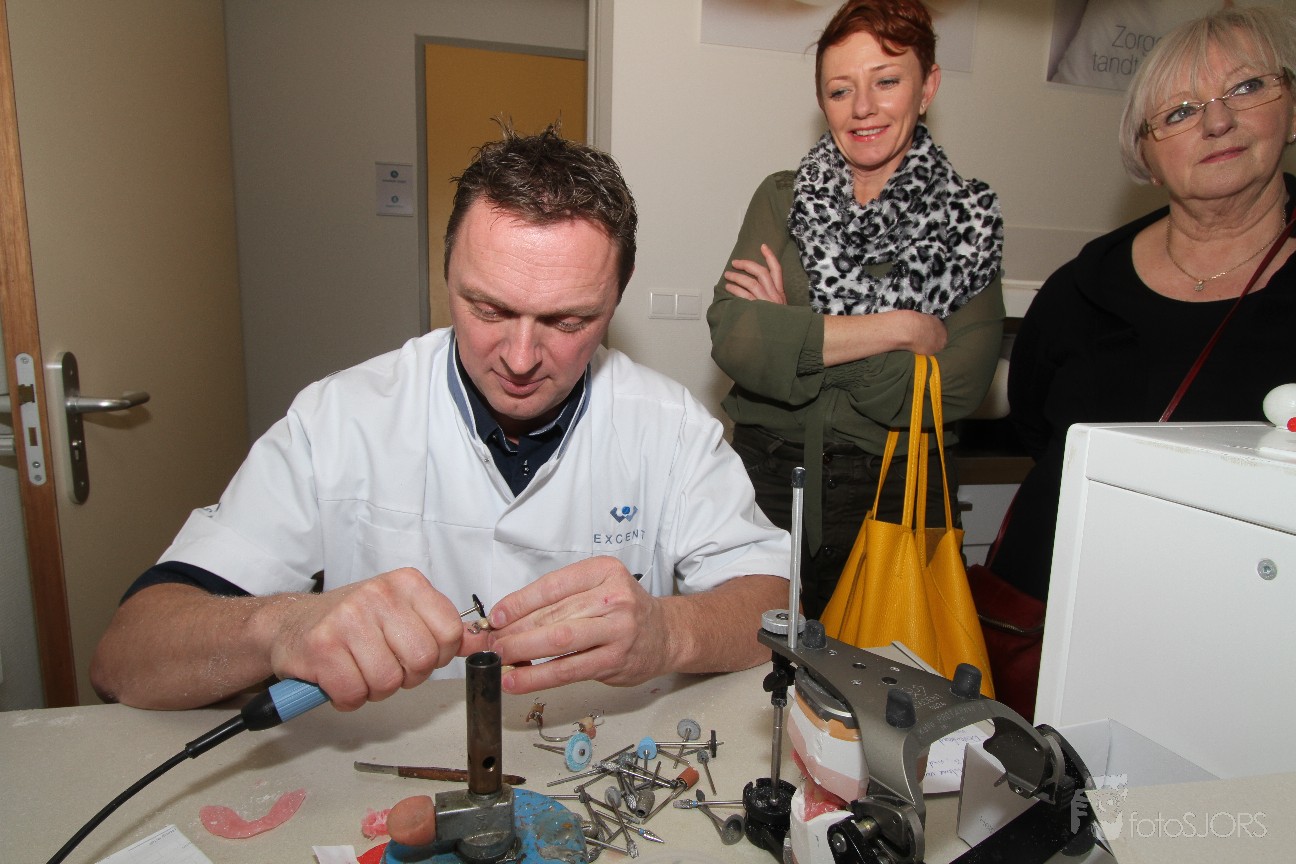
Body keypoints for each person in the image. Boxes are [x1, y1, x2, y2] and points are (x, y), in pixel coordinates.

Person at [90, 126, 791, 712]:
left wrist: (668, 632)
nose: (521, 358)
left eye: (568, 321)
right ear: (446, 271)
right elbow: (125, 658)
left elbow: (777, 606)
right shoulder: (341, 418)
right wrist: (280, 626)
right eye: (488, 309)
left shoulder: (669, 426)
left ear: (616, 299)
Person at [707, 0, 1004, 619]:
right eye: (840, 90)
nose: (862, 108)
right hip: (767, 483)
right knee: (751, 664)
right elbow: (736, 336)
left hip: (900, 494)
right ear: (823, 102)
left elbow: (961, 385)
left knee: (886, 674)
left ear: (928, 87)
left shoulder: (968, 221)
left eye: (886, 81)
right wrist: (898, 329)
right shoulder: (782, 197)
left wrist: (798, 340)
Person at [997, 5, 1296, 603]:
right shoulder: (1082, 287)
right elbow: (1038, 432)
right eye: (1180, 112)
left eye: (1245, 87)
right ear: (1147, 157)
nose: (1218, 121)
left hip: (1246, 618)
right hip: (1040, 617)